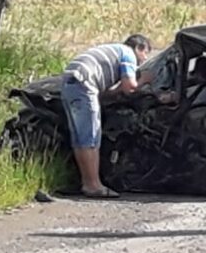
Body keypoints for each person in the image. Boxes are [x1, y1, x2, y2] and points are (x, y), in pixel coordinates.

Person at [61, 35, 154, 198]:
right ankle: (93, 185)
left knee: (79, 138)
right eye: (145, 53)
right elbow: (130, 87)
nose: (144, 59)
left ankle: (86, 182)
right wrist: (144, 80)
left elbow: (107, 93)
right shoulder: (128, 54)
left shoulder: (113, 51)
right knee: (91, 137)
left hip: (71, 83)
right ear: (139, 48)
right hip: (84, 83)